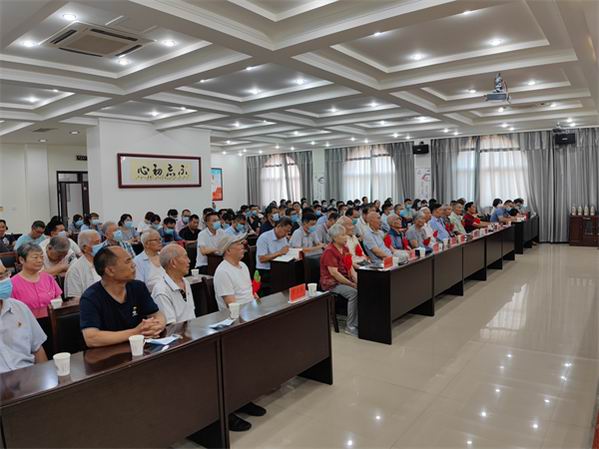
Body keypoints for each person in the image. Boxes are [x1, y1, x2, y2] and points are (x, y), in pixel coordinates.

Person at [79, 246, 166, 348]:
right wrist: (135, 332)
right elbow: (91, 338)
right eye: (127, 261)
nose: (133, 265)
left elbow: (157, 314)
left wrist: (157, 326)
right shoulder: (90, 298)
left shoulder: (138, 287)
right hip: (109, 353)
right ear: (110, 270)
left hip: (141, 348)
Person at [0, 262, 48, 373]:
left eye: (5, 274)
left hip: (28, 375)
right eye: (0, 277)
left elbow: (37, 349)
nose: (5, 280)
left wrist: (45, 378)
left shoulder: (19, 308)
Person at [320, 224, 358, 335]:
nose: (346, 237)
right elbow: (334, 274)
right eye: (343, 235)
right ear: (335, 237)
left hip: (345, 280)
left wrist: (357, 280)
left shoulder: (345, 249)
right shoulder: (329, 251)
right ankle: (350, 326)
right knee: (354, 293)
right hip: (332, 283)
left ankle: (359, 322)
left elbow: (350, 267)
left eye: (345, 234)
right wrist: (351, 284)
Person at [151, 244, 195, 325]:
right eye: (185, 257)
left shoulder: (185, 282)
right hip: (177, 331)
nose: (189, 261)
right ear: (173, 263)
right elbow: (171, 326)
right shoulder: (161, 290)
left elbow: (191, 315)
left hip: (192, 329)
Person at [11, 243, 62, 311]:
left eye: (41, 257)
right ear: (22, 260)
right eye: (35, 257)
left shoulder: (48, 278)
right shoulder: (12, 284)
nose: (40, 260)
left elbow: (58, 299)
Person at [255, 217, 292, 296]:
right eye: (285, 231)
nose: (286, 234)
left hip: (279, 268)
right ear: (278, 226)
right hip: (266, 271)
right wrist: (279, 253)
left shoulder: (283, 238)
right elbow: (262, 258)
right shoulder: (264, 238)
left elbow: (285, 252)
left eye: (288, 232)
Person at [64, 230, 102, 298]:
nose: (100, 245)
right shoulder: (75, 271)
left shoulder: (105, 262)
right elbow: (74, 299)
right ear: (85, 247)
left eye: (100, 242)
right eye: (96, 243)